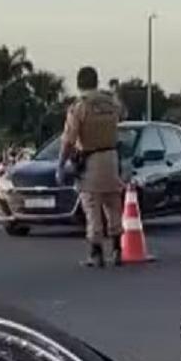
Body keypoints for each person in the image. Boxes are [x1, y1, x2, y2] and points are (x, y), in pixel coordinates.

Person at [59, 66, 124, 268]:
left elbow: (69, 140)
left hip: (91, 159)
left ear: (79, 83)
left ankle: (96, 253)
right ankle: (117, 249)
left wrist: (61, 164)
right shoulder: (111, 103)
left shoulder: (80, 107)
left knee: (92, 206)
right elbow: (122, 116)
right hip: (112, 158)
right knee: (113, 205)